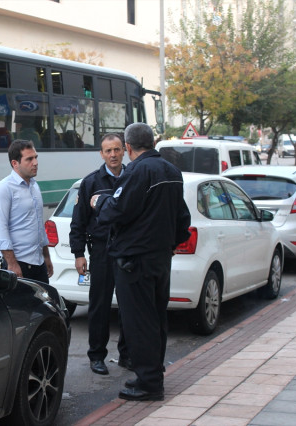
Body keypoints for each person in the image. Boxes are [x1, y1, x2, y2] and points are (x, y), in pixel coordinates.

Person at [90, 123, 191, 402]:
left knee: (139, 321)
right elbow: (183, 219)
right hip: (160, 258)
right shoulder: (171, 171)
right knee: (157, 318)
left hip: (135, 260)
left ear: (129, 148)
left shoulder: (137, 171)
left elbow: (118, 210)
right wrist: (170, 244)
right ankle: (153, 374)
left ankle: (148, 382)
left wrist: (99, 203)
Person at [70, 133, 130, 376]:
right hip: (102, 251)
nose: (113, 155)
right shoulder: (91, 182)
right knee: (99, 306)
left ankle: (127, 354)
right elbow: (79, 221)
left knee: (129, 306)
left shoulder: (132, 178)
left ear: (124, 150)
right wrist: (78, 254)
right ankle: (97, 356)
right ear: (101, 154)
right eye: (108, 151)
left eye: (117, 149)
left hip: (127, 251)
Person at [0, 139, 53, 282]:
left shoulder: (34, 186)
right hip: (17, 265)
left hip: (38, 263)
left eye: (36, 157)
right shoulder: (3, 189)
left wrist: (46, 256)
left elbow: (38, 225)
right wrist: (12, 264)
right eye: (29, 159)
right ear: (15, 163)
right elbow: (1, 230)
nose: (35, 162)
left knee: (44, 303)